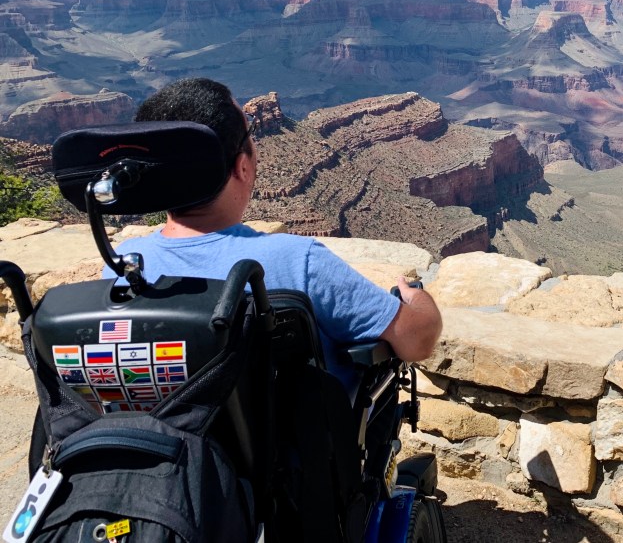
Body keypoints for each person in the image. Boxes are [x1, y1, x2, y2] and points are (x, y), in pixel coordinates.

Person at [104, 77, 442, 377]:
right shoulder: (296, 260)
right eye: (251, 132)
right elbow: (418, 340)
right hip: (287, 447)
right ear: (242, 167)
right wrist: (418, 298)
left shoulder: (124, 266)